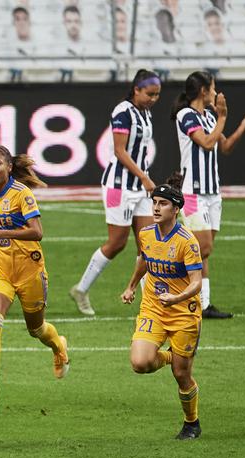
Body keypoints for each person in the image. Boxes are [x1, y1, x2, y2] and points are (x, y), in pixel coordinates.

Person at [0, 145, 70, 408]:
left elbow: (37, 232)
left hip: (29, 268)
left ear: (9, 168)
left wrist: (1, 234)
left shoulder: (22, 194)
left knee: (37, 329)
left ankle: (58, 347)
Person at [172, 71, 245, 318]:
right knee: (202, 247)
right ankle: (172, 286)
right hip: (193, 192)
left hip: (212, 193)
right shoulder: (186, 115)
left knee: (204, 251)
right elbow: (205, 143)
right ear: (203, 91)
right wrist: (223, 117)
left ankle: (203, 305)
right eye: (213, 88)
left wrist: (244, 122)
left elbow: (223, 146)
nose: (215, 93)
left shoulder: (207, 117)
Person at [70, 70, 161, 316]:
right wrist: (144, 176)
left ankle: (149, 302)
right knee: (117, 242)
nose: (153, 99)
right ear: (136, 90)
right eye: (149, 94)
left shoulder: (145, 112)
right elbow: (120, 151)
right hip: (118, 185)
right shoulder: (123, 111)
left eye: (157, 95)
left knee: (148, 244)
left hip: (140, 187)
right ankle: (81, 289)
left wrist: (143, 178)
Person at [121, 180, 204, 439]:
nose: (156, 208)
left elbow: (197, 282)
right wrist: (132, 286)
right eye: (154, 203)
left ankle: (192, 423)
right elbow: (145, 259)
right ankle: (171, 356)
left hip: (183, 313)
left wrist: (176, 297)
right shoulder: (146, 233)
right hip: (154, 307)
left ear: (176, 209)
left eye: (163, 204)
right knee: (140, 363)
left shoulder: (186, 242)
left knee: (181, 374)